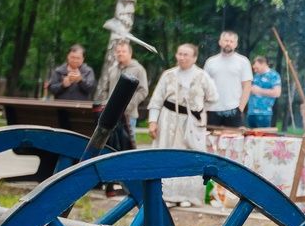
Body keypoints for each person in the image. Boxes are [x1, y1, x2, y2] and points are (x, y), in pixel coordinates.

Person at [147, 44, 219, 206]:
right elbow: (156, 100)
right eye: (180, 54)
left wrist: (199, 111)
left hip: (192, 123)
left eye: (186, 55)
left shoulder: (202, 76)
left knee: (190, 156)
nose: (182, 57)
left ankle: (188, 196)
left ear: (194, 58)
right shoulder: (168, 75)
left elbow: (213, 98)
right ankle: (168, 196)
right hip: (169, 120)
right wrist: (153, 122)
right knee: (168, 154)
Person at [95, 40, 149, 142]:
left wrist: (128, 106)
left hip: (129, 116)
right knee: (110, 143)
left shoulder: (138, 69)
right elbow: (105, 90)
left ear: (130, 53)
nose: (120, 54)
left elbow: (143, 91)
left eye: (123, 51)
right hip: (111, 115)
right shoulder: (112, 69)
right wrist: (107, 103)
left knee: (126, 145)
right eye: (118, 51)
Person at [203, 31, 252, 129]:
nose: (228, 43)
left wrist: (240, 108)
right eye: (226, 40)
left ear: (236, 44)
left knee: (233, 141)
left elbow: (247, 87)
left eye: (231, 41)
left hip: (233, 109)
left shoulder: (243, 62)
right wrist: (204, 108)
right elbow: (204, 86)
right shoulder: (211, 62)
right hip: (212, 109)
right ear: (220, 42)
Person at [247, 56, 282, 129]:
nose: (255, 71)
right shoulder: (256, 76)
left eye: (257, 68)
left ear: (263, 64)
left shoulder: (274, 76)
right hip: (251, 112)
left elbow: (277, 93)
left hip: (264, 113)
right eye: (254, 69)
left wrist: (259, 91)